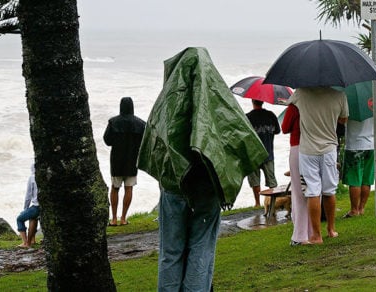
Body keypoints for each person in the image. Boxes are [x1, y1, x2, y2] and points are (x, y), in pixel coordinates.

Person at [137, 47, 268, 291]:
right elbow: (242, 139)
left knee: (171, 252)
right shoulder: (219, 99)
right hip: (207, 186)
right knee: (201, 249)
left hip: (174, 188)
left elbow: (154, 141)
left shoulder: (166, 102)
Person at [291, 87, 348, 244]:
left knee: (312, 191)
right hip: (329, 148)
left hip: (307, 149)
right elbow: (344, 119)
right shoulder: (339, 95)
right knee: (329, 191)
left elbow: (290, 106)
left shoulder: (301, 93)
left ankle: (316, 235)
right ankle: (331, 229)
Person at [104, 97, 146, 226]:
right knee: (129, 188)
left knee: (115, 188)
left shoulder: (113, 122)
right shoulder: (140, 124)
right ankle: (123, 218)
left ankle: (114, 219)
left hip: (117, 160)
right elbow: (144, 143)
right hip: (132, 161)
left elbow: (107, 140)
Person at [281, 102, 312, 245]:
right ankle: (312, 231)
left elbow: (285, 127)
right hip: (315, 147)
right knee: (312, 191)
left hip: (298, 148)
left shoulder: (295, 106)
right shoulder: (315, 102)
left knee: (299, 193)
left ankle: (300, 235)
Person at [246, 99, 281, 207]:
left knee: (255, 181)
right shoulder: (271, 115)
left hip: (253, 155)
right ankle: (273, 202)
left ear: (252, 101)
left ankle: (257, 203)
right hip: (268, 153)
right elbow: (277, 131)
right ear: (263, 101)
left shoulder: (247, 117)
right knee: (272, 181)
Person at [342, 118, 374, 217]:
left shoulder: (350, 104)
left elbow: (341, 119)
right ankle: (361, 208)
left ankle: (354, 210)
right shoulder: (373, 104)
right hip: (371, 145)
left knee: (354, 180)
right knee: (366, 179)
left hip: (354, 145)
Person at [16, 164, 40, 248]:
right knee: (33, 217)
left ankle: (26, 243)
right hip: (42, 207)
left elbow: (28, 195)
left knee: (19, 219)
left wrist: (25, 208)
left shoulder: (32, 178)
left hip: (36, 206)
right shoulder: (44, 176)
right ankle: (32, 241)